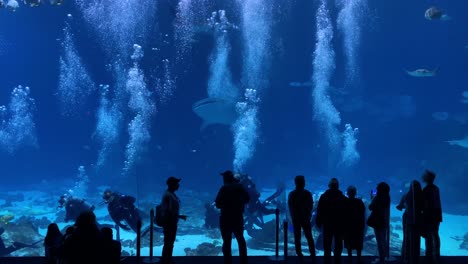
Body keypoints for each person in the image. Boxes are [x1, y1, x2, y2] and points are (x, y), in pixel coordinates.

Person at [215, 170, 250, 264]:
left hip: (225, 218)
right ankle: (244, 261)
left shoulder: (223, 188)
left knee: (226, 241)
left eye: (224, 177)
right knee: (240, 239)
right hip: (238, 217)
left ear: (226, 178)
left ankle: (227, 262)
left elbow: (217, 204)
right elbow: (247, 199)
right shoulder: (239, 187)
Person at [316, 178, 347, 264]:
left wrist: (319, 222)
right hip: (339, 224)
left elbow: (320, 210)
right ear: (337, 186)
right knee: (338, 244)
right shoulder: (342, 197)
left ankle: (327, 261)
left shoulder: (324, 196)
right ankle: (337, 260)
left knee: (327, 244)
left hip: (327, 224)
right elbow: (345, 212)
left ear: (329, 186)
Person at [288, 175, 316, 263]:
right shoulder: (307, 193)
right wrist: (308, 215)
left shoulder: (292, 194)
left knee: (297, 237)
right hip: (305, 219)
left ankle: (299, 254)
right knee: (309, 237)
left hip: (296, 219)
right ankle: (313, 254)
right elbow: (311, 206)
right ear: (303, 183)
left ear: (295, 183)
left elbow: (290, 206)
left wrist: (293, 217)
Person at [160, 176, 187, 264]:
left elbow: (171, 211)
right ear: (172, 184)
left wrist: (179, 216)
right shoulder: (169, 195)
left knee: (169, 242)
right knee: (168, 242)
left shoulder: (170, 193)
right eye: (176, 183)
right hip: (169, 223)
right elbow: (169, 211)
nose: (178, 185)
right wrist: (179, 216)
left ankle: (167, 259)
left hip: (171, 222)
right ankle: (166, 261)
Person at [422, 170, 442, 264]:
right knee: (435, 235)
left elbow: (425, 205)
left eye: (424, 175)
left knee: (428, 236)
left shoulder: (426, 190)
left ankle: (429, 256)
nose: (423, 176)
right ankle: (436, 256)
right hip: (437, 216)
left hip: (429, 217)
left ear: (427, 178)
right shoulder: (436, 188)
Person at [367, 182, 390, 264]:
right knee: (383, 240)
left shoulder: (377, 198)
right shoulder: (387, 197)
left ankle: (381, 259)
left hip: (377, 221)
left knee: (379, 241)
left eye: (377, 188)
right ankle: (383, 258)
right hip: (384, 220)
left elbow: (370, 207)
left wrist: (372, 198)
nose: (376, 189)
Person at [344, 186, 365, 264]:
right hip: (358, 226)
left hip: (348, 225)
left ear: (348, 193)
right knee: (358, 242)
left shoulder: (345, 202)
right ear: (355, 193)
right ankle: (359, 259)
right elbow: (363, 213)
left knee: (349, 241)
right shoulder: (359, 202)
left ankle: (349, 258)